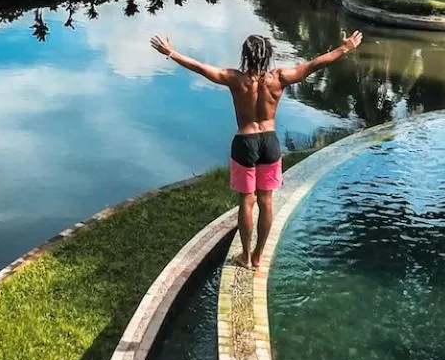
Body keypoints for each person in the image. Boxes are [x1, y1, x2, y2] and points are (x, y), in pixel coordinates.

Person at [150, 29, 364, 269]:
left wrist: (171, 53)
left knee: (246, 201)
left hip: (245, 142)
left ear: (245, 56)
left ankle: (245, 256)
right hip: (270, 142)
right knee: (267, 201)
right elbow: (314, 64)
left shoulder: (235, 79)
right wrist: (344, 48)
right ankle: (258, 256)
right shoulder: (280, 77)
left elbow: (201, 68)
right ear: (268, 55)